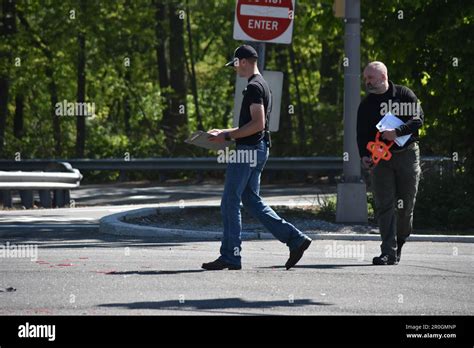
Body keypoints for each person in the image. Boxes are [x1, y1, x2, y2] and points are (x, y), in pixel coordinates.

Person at [201, 45, 312, 271]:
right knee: (251, 200)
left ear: (242, 61)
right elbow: (253, 125)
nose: (234, 69)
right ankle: (295, 239)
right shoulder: (263, 85)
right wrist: (222, 132)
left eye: (234, 64)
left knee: (230, 201)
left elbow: (257, 124)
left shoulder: (253, 86)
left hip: (248, 151)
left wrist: (229, 135)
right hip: (259, 148)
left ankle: (231, 256)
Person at [357, 61, 423, 265]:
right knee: (384, 205)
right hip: (381, 159)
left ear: (383, 77)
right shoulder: (367, 104)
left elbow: (419, 119)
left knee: (406, 205)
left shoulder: (403, 95)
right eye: (365, 78)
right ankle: (388, 252)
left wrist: (397, 132)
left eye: (371, 78)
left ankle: (400, 241)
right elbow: (361, 135)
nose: (367, 82)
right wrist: (364, 155)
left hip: (407, 155)